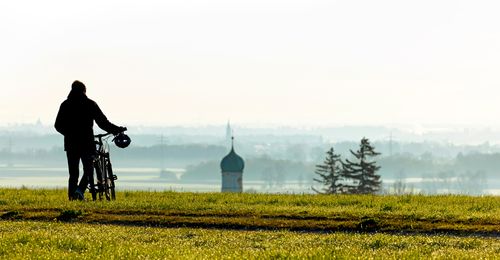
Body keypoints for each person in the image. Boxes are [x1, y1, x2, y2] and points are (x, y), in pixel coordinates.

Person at [55, 80, 126, 200]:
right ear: (84, 90)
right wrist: (116, 129)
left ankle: (72, 197)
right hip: (86, 142)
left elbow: (57, 125)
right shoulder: (90, 104)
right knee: (88, 171)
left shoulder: (65, 104)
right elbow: (103, 123)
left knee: (73, 173)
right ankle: (79, 191)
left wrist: (69, 134)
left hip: (71, 144)